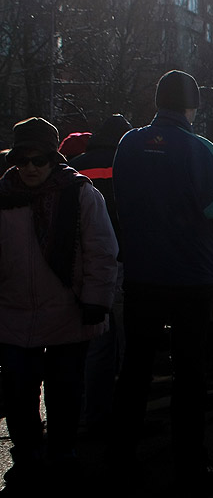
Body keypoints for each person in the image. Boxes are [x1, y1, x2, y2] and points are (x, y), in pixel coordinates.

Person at [112, 70, 213, 493]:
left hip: (140, 273)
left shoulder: (129, 144)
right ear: (192, 108)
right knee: (189, 371)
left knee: (134, 368)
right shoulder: (198, 149)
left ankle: (120, 461)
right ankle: (190, 465)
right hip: (190, 277)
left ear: (158, 103)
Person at [0, 117, 119, 498]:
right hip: (14, 312)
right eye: (23, 160)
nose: (30, 167)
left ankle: (62, 453)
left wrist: (97, 301)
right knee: (18, 391)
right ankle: (28, 457)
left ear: (54, 159)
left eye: (39, 160)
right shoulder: (4, 195)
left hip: (68, 311)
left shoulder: (80, 193)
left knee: (65, 390)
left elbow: (101, 251)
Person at [69, 113, 133, 436]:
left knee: (87, 342)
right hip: (122, 258)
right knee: (123, 340)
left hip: (79, 263)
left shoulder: (77, 164)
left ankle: (84, 410)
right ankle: (115, 414)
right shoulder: (130, 163)